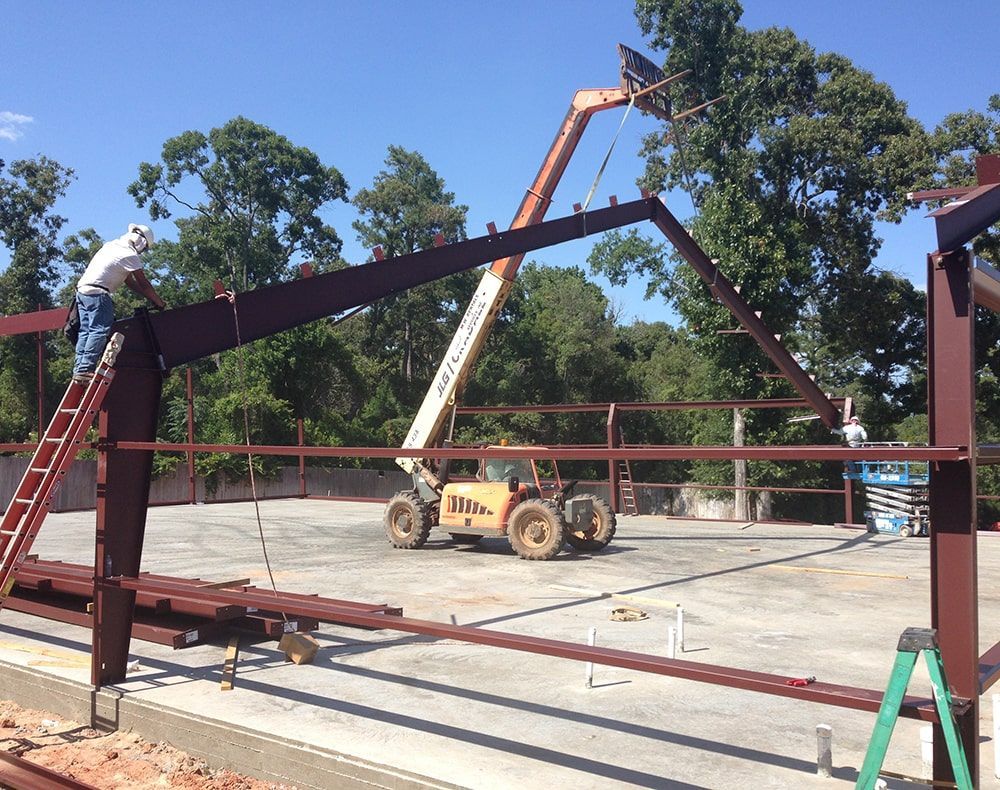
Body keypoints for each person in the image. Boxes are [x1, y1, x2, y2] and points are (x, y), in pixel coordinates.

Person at [72, 223, 165, 384]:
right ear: (142, 243)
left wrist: (150, 298)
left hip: (82, 292)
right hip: (99, 294)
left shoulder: (111, 246)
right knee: (98, 330)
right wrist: (159, 302)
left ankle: (79, 369)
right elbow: (143, 284)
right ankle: (86, 369)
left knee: (85, 331)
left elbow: (129, 282)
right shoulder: (129, 255)